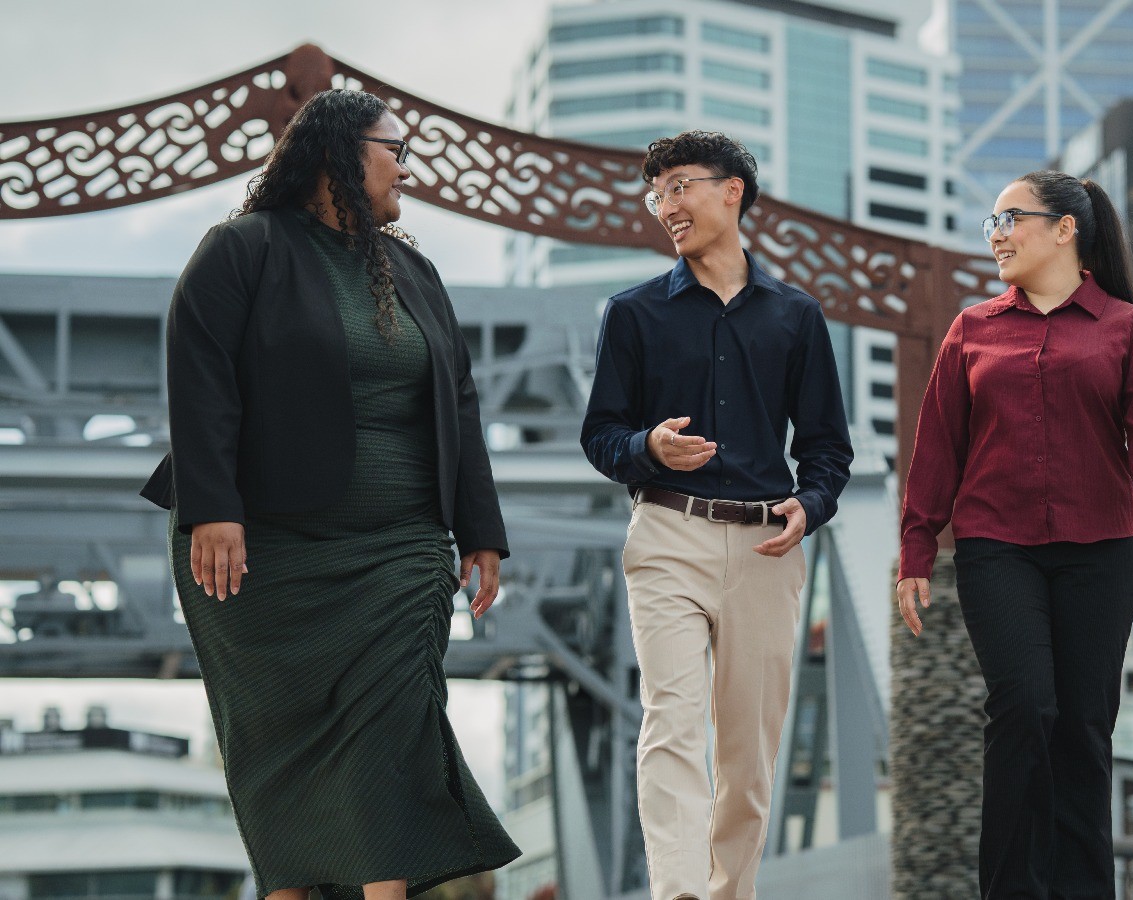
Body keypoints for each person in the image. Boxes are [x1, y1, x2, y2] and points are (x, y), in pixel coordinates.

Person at [139, 88, 520, 899]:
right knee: (278, 740)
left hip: (404, 545)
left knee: (394, 724)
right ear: (343, 155)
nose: (406, 170)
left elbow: (457, 400)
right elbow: (200, 381)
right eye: (396, 151)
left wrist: (480, 529)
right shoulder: (240, 250)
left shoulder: (414, 272)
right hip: (263, 549)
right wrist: (213, 507)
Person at [896, 171, 1133, 898]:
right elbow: (937, 446)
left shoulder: (1126, 328)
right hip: (998, 551)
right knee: (1026, 706)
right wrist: (915, 547)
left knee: (1085, 732)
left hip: (1096, 553)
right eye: (991, 223)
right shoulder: (972, 330)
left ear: (1066, 228)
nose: (997, 235)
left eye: (1011, 219)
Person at [580, 131, 852, 900]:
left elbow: (829, 448)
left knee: (749, 755)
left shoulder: (797, 317)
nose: (666, 206)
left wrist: (813, 503)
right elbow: (600, 437)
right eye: (656, 193)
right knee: (671, 724)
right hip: (666, 534)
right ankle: (679, 895)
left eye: (679, 187)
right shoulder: (632, 315)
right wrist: (647, 448)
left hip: (767, 546)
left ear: (732, 191)